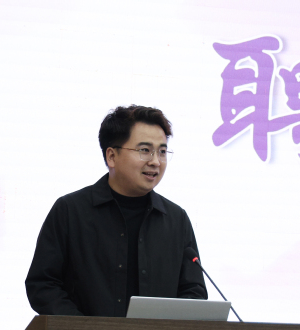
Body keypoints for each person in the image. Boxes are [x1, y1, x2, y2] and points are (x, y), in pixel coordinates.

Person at [25, 105, 207, 317]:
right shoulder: (70, 211)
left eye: (162, 152)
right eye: (144, 150)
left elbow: (194, 291)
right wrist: (83, 329)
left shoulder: (176, 219)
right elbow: (43, 284)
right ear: (111, 156)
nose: (155, 161)